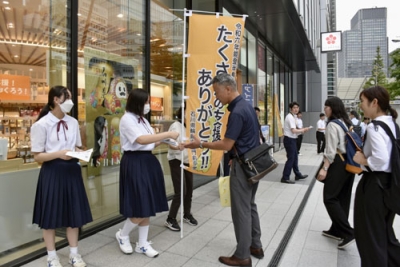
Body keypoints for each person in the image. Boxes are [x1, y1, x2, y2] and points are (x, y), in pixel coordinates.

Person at [184, 73, 263, 267]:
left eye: (217, 92)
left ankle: (242, 255)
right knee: (250, 206)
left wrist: (200, 143)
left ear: (228, 88)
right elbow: (247, 139)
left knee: (241, 211)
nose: (216, 97)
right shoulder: (247, 106)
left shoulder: (237, 112)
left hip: (243, 168)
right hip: (253, 164)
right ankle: (255, 245)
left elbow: (227, 144)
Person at [31, 85, 92, 267]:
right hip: (52, 172)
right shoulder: (41, 125)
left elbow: (77, 147)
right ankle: (52, 256)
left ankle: (74, 254)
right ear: (56, 100)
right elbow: (37, 156)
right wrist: (58, 154)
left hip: (72, 170)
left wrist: (81, 153)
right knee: (50, 217)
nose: (71, 101)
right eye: (68, 97)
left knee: (74, 214)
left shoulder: (73, 122)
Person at [116, 88, 179, 258]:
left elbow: (150, 143)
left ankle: (142, 244)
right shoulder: (127, 119)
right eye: (146, 102)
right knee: (141, 205)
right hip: (135, 162)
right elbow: (141, 140)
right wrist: (167, 133)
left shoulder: (142, 120)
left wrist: (168, 142)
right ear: (137, 102)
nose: (148, 105)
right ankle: (123, 235)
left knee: (147, 205)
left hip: (147, 161)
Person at [353, 86, 400, 266]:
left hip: (374, 187)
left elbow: (381, 160)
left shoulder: (374, 127)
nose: (361, 106)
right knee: (385, 233)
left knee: (370, 237)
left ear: (374, 102)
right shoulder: (392, 124)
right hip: (390, 186)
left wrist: (363, 160)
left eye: (363, 102)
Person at [316, 96, 355, 250]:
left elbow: (331, 150)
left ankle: (348, 232)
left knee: (330, 198)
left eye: (326, 106)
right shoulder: (346, 123)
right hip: (349, 163)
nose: (324, 109)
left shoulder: (332, 125)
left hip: (337, 162)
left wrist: (324, 168)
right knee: (343, 197)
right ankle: (336, 230)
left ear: (332, 108)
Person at [164, 106, 198, 232]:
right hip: (176, 160)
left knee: (189, 190)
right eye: (187, 112)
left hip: (188, 161)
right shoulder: (176, 125)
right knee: (180, 191)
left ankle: (187, 214)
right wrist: (177, 147)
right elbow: (170, 142)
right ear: (182, 113)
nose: (190, 115)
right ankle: (170, 218)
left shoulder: (192, 126)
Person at [281, 102, 310, 184]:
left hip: (292, 139)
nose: (296, 109)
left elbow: (296, 130)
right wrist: (303, 130)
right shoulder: (290, 117)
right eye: (294, 107)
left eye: (297, 107)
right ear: (291, 109)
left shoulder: (294, 117)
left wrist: (303, 130)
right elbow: (293, 130)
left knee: (295, 158)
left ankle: (297, 174)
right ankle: (285, 177)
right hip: (289, 139)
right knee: (291, 159)